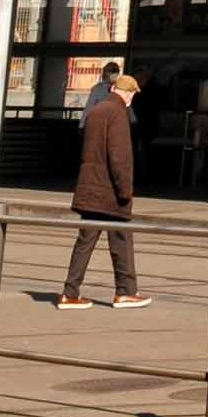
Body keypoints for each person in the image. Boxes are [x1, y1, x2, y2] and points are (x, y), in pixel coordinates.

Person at [59, 73, 150, 310]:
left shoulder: (97, 110)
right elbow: (119, 155)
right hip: (109, 191)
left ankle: (70, 293)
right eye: (133, 95)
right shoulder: (118, 113)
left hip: (91, 186)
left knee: (85, 241)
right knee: (121, 239)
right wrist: (125, 189)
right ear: (128, 93)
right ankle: (125, 292)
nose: (132, 99)